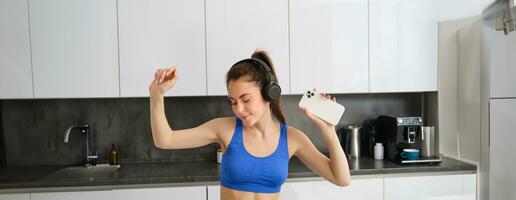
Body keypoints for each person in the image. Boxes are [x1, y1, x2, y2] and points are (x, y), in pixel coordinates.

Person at [149, 50, 351, 200]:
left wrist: (328, 130)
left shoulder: (292, 138)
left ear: (268, 93)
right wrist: (156, 95)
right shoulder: (225, 129)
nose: (239, 109)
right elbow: (165, 140)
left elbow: (342, 179)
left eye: (246, 100)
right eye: (233, 101)